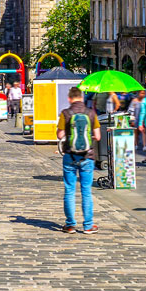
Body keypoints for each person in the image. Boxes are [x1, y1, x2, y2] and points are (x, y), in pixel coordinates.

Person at [57, 87, 101, 233]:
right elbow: (98, 136)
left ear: (70, 98)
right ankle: (88, 225)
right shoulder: (91, 113)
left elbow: (59, 135)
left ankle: (70, 225)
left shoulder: (66, 113)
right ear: (81, 98)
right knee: (86, 191)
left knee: (69, 190)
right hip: (87, 157)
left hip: (70, 155)